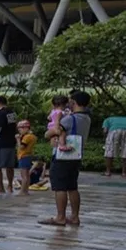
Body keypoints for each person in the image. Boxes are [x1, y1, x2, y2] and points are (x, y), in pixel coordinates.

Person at [41, 91, 90, 227]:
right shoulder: (86, 118)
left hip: (63, 156)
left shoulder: (69, 119)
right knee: (72, 186)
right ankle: (75, 217)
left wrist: (48, 132)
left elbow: (53, 132)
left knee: (60, 187)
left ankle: (60, 217)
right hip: (76, 155)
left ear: (73, 102)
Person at [0, 96, 18, 194]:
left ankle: (0, 186)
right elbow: (14, 126)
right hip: (10, 142)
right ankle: (10, 185)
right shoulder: (12, 112)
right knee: (10, 166)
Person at [15, 119, 38, 194]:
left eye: (20, 128)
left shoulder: (27, 137)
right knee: (27, 175)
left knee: (24, 175)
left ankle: (22, 191)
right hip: (28, 156)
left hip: (24, 156)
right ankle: (26, 191)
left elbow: (21, 147)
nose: (19, 130)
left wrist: (18, 139)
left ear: (26, 128)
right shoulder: (32, 136)